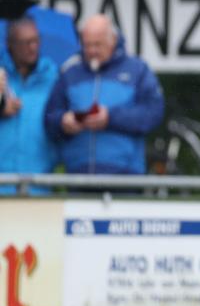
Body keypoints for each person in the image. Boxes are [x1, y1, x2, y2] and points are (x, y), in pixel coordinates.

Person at [44, 14, 164, 175]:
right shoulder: (69, 72)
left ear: (113, 40)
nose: (92, 51)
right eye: (87, 45)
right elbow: (50, 118)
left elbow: (153, 113)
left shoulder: (138, 70)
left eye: (97, 45)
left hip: (126, 177)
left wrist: (111, 118)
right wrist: (63, 122)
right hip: (78, 176)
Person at [0, 17, 59, 194]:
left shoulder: (54, 78)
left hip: (39, 185)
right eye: (25, 43)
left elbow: (60, 124)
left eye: (35, 40)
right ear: (10, 44)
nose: (33, 47)